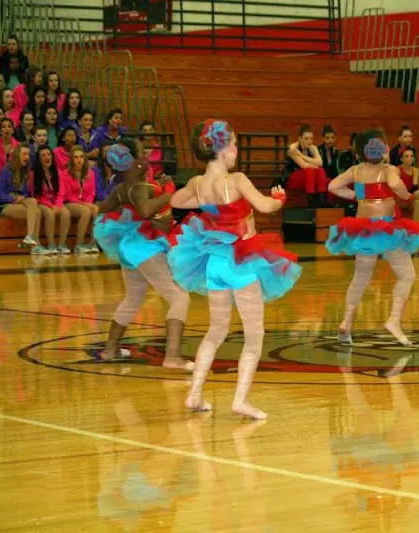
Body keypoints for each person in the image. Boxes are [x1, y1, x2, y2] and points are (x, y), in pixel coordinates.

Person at [168, 119, 301, 419]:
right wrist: (279, 198)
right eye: (235, 144)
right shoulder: (237, 180)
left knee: (216, 330)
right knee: (254, 335)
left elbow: (177, 201)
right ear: (223, 149)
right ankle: (240, 400)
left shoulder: (197, 184)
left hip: (215, 261)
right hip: (242, 260)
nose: (237, 149)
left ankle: (195, 395)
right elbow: (266, 207)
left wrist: (197, 201)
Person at [94, 142, 193, 369]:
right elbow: (147, 210)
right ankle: (173, 357)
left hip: (129, 247)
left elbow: (102, 207)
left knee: (134, 297)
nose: (147, 158)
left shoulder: (122, 189)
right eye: (143, 154)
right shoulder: (139, 186)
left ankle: (110, 350)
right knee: (179, 297)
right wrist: (168, 193)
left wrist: (127, 214)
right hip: (144, 248)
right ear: (135, 161)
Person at [326, 129, 419, 346]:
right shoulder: (389, 170)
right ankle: (394, 320)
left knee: (360, 277)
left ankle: (345, 323)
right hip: (386, 229)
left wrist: (355, 195)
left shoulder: (356, 170)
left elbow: (332, 186)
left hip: (364, 230)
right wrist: (407, 196)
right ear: (384, 149)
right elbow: (397, 185)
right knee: (407, 275)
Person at [0, 142, 43, 252]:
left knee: (33, 204)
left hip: (19, 200)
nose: (27, 157)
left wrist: (22, 197)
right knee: (36, 212)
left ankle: (30, 237)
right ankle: (35, 244)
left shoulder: (25, 171)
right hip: (4, 204)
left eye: (28, 154)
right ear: (18, 155)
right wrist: (13, 199)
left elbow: (25, 192)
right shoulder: (6, 170)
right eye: (24, 154)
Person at [285, 124, 327, 207]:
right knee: (311, 170)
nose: (309, 141)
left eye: (311, 138)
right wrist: (315, 165)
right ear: (300, 139)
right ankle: (310, 200)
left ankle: (321, 199)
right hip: (294, 176)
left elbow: (320, 163)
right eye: (306, 138)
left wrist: (301, 155)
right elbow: (304, 165)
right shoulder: (293, 149)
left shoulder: (313, 148)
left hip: (308, 175)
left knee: (321, 171)